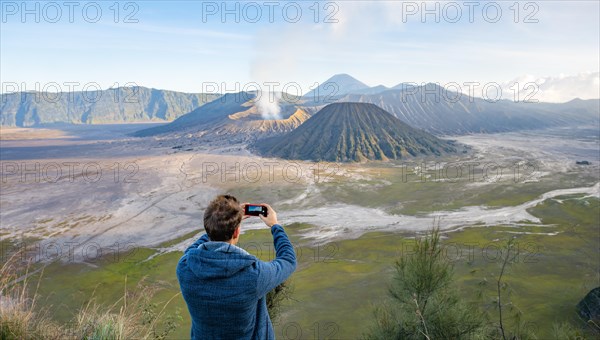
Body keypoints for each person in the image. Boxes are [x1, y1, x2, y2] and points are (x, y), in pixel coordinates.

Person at [176, 194, 297, 339]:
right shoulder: (253, 276)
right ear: (236, 232)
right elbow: (288, 260)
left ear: (208, 229)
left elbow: (193, 250)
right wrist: (275, 225)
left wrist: (219, 224)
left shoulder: (184, 268)